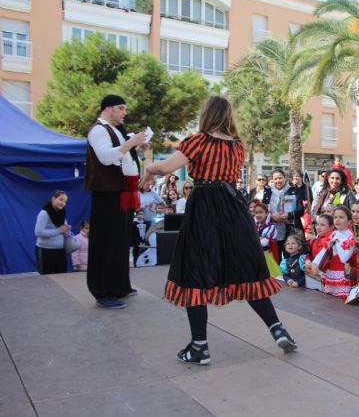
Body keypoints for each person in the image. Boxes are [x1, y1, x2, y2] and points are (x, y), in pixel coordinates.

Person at [141, 95, 296, 364]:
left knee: (195, 271)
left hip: (204, 207)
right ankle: (277, 328)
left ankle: (199, 346)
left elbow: (167, 167)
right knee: (247, 270)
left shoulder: (197, 141)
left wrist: (149, 168)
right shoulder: (238, 146)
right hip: (233, 207)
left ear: (207, 114)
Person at [84, 95, 147, 308]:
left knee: (121, 240)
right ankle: (103, 291)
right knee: (106, 241)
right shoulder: (98, 130)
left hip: (122, 191)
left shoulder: (116, 131)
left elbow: (122, 156)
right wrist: (131, 142)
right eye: (121, 108)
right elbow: (105, 157)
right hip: (107, 193)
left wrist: (136, 149)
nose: (124, 112)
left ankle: (119, 284)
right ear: (108, 108)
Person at [262, 169, 304, 259]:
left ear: (285, 178)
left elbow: (301, 210)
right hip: (272, 231)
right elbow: (263, 209)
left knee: (290, 257)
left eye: (280, 178)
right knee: (274, 258)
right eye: (275, 179)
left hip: (290, 230)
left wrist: (288, 215)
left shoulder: (292, 190)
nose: (278, 181)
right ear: (272, 180)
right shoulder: (268, 191)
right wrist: (272, 215)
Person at [319, 205, 356, 299]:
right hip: (330, 272)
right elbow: (325, 250)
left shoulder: (350, 236)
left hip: (341, 273)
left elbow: (344, 258)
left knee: (340, 301)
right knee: (328, 300)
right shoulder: (334, 233)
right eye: (335, 217)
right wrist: (315, 263)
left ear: (349, 221)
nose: (337, 220)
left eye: (341, 217)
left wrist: (337, 242)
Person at [34, 190, 71, 274]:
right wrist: (59, 230)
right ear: (53, 199)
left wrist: (67, 229)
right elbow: (38, 232)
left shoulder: (62, 213)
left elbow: (64, 229)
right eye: (61, 200)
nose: (63, 203)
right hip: (45, 250)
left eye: (65, 201)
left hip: (60, 250)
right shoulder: (44, 213)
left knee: (62, 277)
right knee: (46, 278)